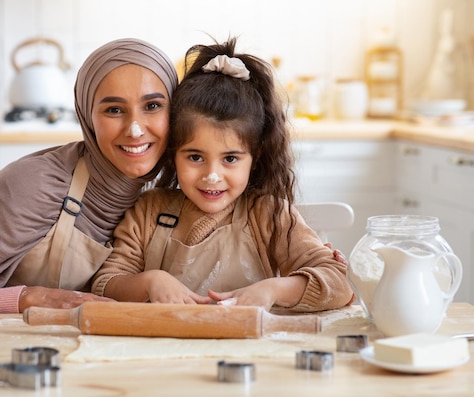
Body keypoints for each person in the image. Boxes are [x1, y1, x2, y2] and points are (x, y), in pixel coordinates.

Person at [0, 38, 179, 315]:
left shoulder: (181, 184)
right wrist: (29, 298)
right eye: (114, 110)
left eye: (152, 106)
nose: (134, 129)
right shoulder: (30, 187)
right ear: (86, 116)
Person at [91, 38, 355, 312]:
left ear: (256, 157)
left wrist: (273, 289)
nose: (212, 176)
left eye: (230, 159)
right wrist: (150, 282)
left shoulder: (269, 215)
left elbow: (340, 283)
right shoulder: (148, 213)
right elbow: (105, 284)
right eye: (195, 157)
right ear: (173, 153)